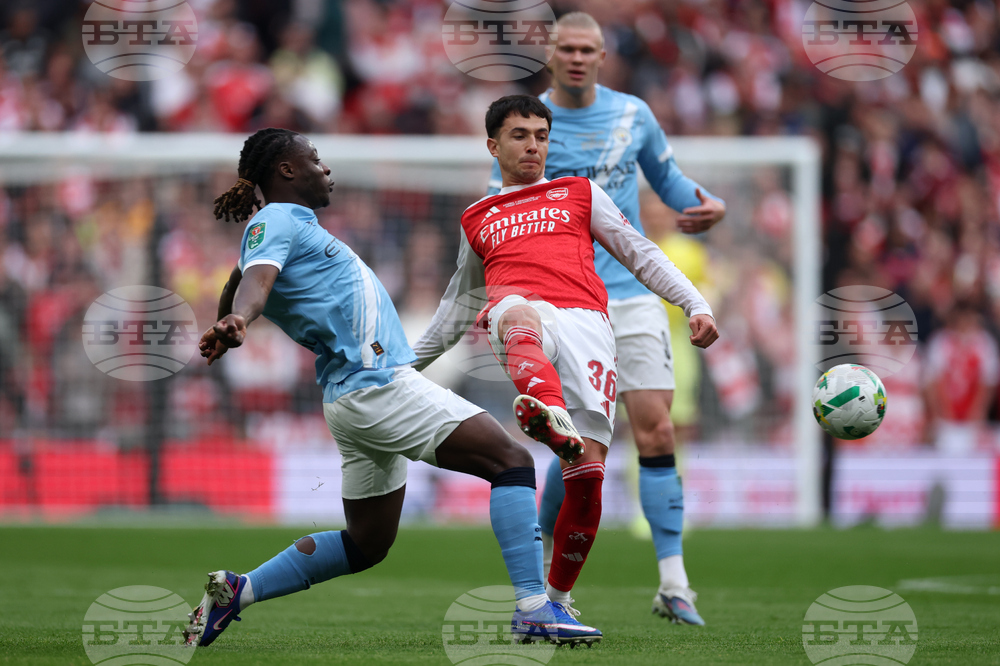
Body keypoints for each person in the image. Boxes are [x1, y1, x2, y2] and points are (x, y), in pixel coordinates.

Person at [183, 127, 601, 648]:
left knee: (367, 543)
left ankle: (239, 592)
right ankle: (535, 609)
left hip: (349, 398)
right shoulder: (279, 218)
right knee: (511, 463)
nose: (325, 168)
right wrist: (240, 316)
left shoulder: (280, 229)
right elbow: (254, 282)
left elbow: (244, 277)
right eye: (314, 158)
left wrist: (231, 318)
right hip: (376, 384)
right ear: (286, 170)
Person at [415, 95, 717, 622]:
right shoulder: (477, 217)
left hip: (589, 329)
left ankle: (553, 604)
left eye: (540, 135)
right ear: (493, 145)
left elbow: (638, 251)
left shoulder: (579, 193)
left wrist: (693, 301)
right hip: (527, 321)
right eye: (519, 135)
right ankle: (548, 409)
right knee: (509, 310)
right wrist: (402, 365)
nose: (532, 145)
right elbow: (454, 311)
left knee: (588, 476)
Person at [487, 12, 727, 626]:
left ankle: (675, 585)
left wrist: (702, 204)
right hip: (564, 299)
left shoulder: (633, 115)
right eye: (565, 47)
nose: (576, 57)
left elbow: (669, 182)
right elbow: (505, 212)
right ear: (551, 50)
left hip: (631, 292)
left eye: (587, 49)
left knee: (657, 429)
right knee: (580, 446)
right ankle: (543, 580)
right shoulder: (527, 121)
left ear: (601, 54)